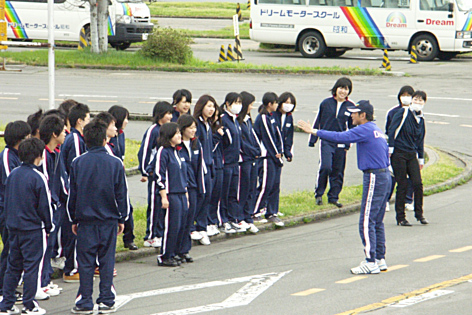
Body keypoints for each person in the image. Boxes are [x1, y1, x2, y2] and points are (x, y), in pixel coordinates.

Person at [298, 100, 391, 274]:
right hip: (384, 175)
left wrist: (315, 131)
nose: (351, 115)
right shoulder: (375, 129)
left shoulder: (364, 129)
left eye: (355, 113)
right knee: (376, 220)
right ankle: (380, 258)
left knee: (366, 220)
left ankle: (370, 261)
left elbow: (341, 137)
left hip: (374, 175)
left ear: (363, 115)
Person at [67, 120, 129, 314]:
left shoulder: (77, 163)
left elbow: (72, 195)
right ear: (104, 140)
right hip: (109, 220)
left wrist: (73, 219)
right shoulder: (115, 163)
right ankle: (106, 298)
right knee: (107, 259)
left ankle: (85, 300)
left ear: (85, 140)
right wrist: (122, 218)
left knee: (85, 261)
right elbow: (122, 194)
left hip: (85, 221)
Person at [0, 137, 54, 315]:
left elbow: (7, 200)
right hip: (33, 229)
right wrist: (49, 225)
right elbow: (45, 205)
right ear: (39, 156)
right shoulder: (38, 177)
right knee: (32, 267)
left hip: (14, 227)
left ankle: (6, 304)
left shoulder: (13, 174)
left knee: (13, 266)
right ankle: (29, 305)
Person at [309, 77, 354, 208]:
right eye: (341, 88)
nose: (343, 91)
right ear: (335, 89)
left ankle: (333, 197)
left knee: (338, 170)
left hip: (341, 141)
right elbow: (318, 121)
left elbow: (352, 127)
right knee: (325, 167)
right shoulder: (326, 103)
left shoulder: (350, 106)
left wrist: (348, 143)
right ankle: (319, 193)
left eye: (346, 89)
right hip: (326, 140)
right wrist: (313, 139)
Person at [0, 121, 31, 304]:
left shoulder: (17, 155)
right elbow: (12, 183)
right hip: (6, 211)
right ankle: (4, 288)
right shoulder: (7, 158)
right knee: (10, 251)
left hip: (13, 211)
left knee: (14, 251)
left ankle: (8, 288)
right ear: (20, 139)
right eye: (27, 138)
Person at [38, 115, 68, 299]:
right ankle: (41, 283)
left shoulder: (56, 153)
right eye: (63, 131)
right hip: (47, 207)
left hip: (56, 205)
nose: (66, 134)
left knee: (49, 246)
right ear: (54, 133)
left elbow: (62, 180)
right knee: (44, 246)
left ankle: (46, 280)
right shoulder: (43, 155)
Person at [387, 90, 428, 226]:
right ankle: (400, 217)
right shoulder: (403, 113)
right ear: (411, 100)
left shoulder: (421, 119)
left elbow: (420, 141)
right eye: (415, 99)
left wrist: (421, 158)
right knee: (402, 184)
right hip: (398, 153)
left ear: (424, 103)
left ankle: (419, 214)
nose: (417, 102)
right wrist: (390, 149)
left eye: (420, 100)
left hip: (411, 154)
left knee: (418, 184)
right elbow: (392, 130)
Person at [61, 102, 90, 283]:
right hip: (74, 192)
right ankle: (71, 268)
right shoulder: (76, 140)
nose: (89, 121)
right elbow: (77, 170)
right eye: (88, 118)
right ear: (80, 121)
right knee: (74, 232)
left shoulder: (74, 138)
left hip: (72, 191)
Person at [137, 101, 173, 248]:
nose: (170, 116)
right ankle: (150, 235)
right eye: (168, 113)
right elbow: (144, 151)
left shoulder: (166, 130)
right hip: (153, 173)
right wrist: (146, 170)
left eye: (171, 113)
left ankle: (159, 233)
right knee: (154, 205)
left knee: (162, 205)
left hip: (163, 173)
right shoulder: (153, 130)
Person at [153, 123, 189, 267]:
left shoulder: (178, 152)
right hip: (170, 194)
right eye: (176, 134)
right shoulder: (163, 152)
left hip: (181, 193)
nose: (180, 136)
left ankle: (175, 252)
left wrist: (185, 194)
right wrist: (163, 196)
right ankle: (165, 255)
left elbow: (183, 175)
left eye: (180, 133)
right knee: (171, 226)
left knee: (180, 225)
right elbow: (159, 175)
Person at [108, 105, 138, 251]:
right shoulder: (109, 137)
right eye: (125, 118)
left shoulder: (121, 135)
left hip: (120, 177)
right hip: (110, 179)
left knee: (128, 207)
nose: (127, 122)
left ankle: (129, 238)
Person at [253, 92, 284, 227]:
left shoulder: (272, 117)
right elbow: (268, 139)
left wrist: (281, 151)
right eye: (276, 103)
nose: (277, 105)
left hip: (275, 157)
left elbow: (278, 135)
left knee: (275, 185)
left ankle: (272, 212)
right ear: (270, 104)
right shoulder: (263, 118)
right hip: (266, 157)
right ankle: (255, 211)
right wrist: (276, 154)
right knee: (266, 185)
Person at [177, 114, 206, 255]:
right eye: (190, 128)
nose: (193, 131)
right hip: (181, 189)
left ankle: (185, 250)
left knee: (189, 220)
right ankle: (175, 249)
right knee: (180, 220)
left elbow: (200, 167)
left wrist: (201, 187)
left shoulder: (196, 144)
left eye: (195, 128)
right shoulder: (177, 145)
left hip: (193, 187)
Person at [385, 86, 415, 212]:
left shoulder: (415, 112)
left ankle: (408, 200)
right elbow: (389, 130)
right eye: (403, 95)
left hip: (410, 149)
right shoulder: (393, 112)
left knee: (410, 176)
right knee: (393, 176)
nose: (406, 97)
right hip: (396, 149)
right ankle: (386, 199)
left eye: (409, 95)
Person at [219, 93, 245, 233]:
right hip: (226, 162)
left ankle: (232, 218)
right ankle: (223, 220)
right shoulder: (223, 119)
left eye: (240, 103)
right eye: (235, 103)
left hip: (235, 162)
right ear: (227, 104)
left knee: (233, 192)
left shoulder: (235, 120)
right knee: (224, 193)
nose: (238, 106)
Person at [237, 91, 261, 233]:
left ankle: (248, 217)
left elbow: (254, 139)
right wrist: (254, 152)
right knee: (243, 190)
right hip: (245, 160)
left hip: (253, 160)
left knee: (251, 189)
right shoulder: (239, 122)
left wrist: (257, 151)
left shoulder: (247, 120)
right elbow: (242, 143)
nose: (251, 107)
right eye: (250, 104)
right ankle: (240, 217)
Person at [273, 91, 296, 217]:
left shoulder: (288, 117)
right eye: (286, 103)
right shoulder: (273, 116)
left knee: (276, 183)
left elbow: (289, 136)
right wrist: (276, 150)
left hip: (280, 153)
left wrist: (287, 152)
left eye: (291, 103)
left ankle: (274, 209)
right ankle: (263, 208)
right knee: (268, 183)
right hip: (272, 153)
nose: (288, 105)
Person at [207, 105, 224, 235]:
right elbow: (209, 149)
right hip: (210, 166)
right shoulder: (208, 130)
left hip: (219, 165)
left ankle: (213, 221)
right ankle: (207, 222)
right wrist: (218, 137)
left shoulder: (217, 128)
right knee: (209, 196)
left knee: (217, 195)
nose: (216, 119)